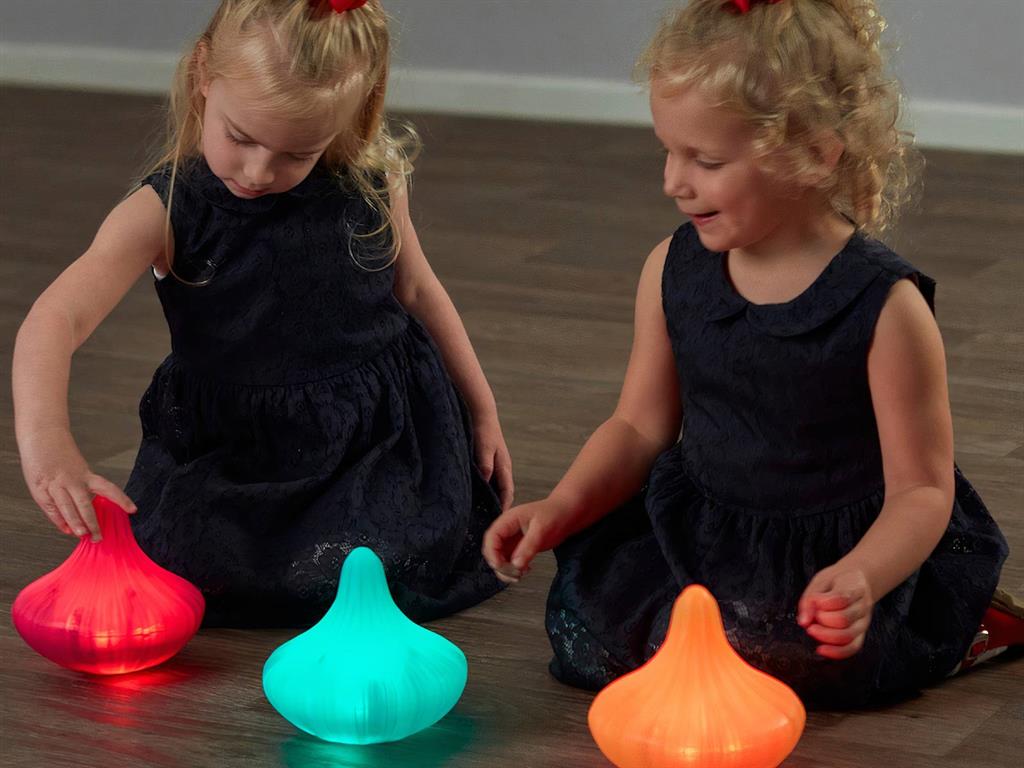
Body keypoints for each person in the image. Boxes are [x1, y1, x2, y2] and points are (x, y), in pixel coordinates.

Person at [482, 0, 1019, 707]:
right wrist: (563, 504)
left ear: (816, 153)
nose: (674, 182)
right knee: (599, 636)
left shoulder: (886, 308)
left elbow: (922, 489)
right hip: (703, 527)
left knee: (781, 664)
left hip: (831, 551)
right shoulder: (671, 269)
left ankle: (968, 626)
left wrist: (863, 576)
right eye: (668, 150)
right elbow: (638, 427)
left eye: (706, 160)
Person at [13, 0, 512, 627]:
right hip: (237, 445)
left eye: (297, 154)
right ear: (203, 74)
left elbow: (417, 290)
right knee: (186, 558)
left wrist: (482, 410)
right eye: (241, 138)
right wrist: (47, 444)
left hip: (370, 434)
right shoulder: (163, 211)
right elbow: (55, 318)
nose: (258, 171)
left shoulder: (373, 182)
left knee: (383, 559)